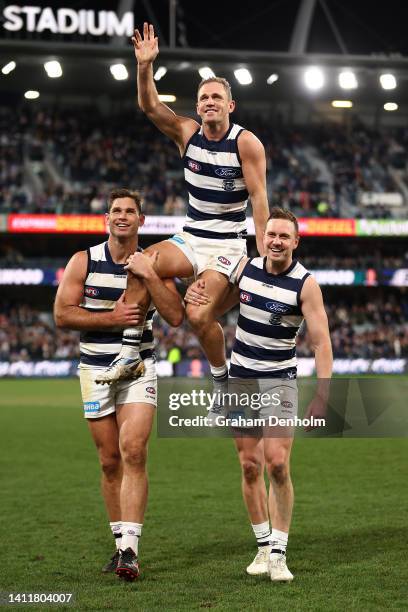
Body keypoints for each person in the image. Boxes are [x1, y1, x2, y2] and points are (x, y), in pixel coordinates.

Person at [95, 21, 269, 387]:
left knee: (199, 314)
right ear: (197, 105)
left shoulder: (246, 143)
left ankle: (222, 381)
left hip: (226, 245)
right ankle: (130, 354)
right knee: (140, 263)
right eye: (203, 98)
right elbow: (150, 105)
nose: (208, 103)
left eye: (216, 98)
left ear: (230, 106)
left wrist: (264, 256)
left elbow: (259, 199)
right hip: (190, 238)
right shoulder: (187, 133)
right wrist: (145, 67)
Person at [185, 208, 333, 582]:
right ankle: (263, 546)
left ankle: (280, 553)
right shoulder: (244, 269)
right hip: (242, 379)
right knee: (249, 465)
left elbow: (321, 343)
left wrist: (322, 396)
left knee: (278, 464)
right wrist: (196, 294)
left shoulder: (306, 285)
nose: (277, 241)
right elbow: (211, 311)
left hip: (280, 381)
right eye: (271, 235)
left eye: (285, 236)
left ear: (296, 242)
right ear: (261, 238)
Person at [54, 188, 183, 581]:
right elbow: (62, 314)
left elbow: (175, 315)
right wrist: (111, 319)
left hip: (139, 368)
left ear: (141, 221)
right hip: (94, 370)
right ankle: (118, 543)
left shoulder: (155, 262)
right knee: (110, 461)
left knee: (133, 450)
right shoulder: (84, 261)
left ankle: (130, 549)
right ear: (106, 219)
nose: (122, 216)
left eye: (130, 211)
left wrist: (149, 275)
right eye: (116, 211)